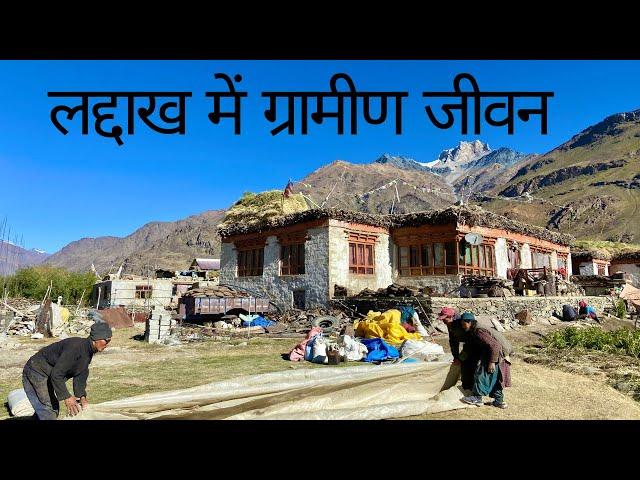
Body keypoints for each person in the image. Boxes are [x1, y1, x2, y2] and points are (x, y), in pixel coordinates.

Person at [22, 321, 113, 420]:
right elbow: (57, 374)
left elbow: (81, 373)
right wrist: (67, 397)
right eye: (106, 341)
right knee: (49, 408)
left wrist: (81, 396)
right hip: (36, 371)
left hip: (48, 373)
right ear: (96, 338)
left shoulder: (88, 351)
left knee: (46, 407)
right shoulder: (75, 347)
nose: (107, 344)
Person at [459, 312, 512, 409]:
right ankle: (499, 401)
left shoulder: (479, 331)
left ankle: (477, 398)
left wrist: (492, 362)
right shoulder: (474, 330)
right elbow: (469, 347)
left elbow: (495, 346)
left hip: (496, 355)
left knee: (482, 375)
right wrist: (460, 359)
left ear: (470, 322)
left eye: (463, 324)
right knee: (495, 380)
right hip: (499, 355)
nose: (462, 326)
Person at [438, 307, 478, 392]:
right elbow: (453, 342)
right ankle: (466, 388)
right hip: (468, 346)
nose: (444, 321)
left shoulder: (463, 324)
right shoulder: (450, 325)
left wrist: (461, 358)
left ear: (451, 317)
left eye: (445, 319)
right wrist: (456, 357)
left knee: (470, 367)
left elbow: (470, 343)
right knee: (464, 367)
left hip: (474, 346)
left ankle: (472, 391)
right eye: (443, 320)